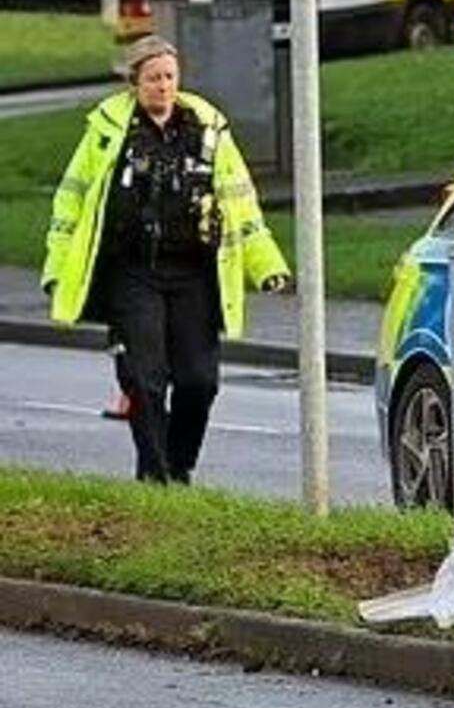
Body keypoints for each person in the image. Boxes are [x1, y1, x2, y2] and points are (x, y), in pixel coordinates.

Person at [41, 37, 291, 483]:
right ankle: (155, 478)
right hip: (133, 272)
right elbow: (71, 201)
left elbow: (241, 202)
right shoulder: (105, 132)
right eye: (153, 78)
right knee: (144, 378)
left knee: (199, 382)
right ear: (134, 82)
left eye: (169, 77)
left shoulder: (208, 128)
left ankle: (179, 466)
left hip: (193, 272)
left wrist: (267, 265)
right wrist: (56, 270)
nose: (163, 86)